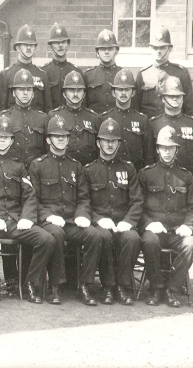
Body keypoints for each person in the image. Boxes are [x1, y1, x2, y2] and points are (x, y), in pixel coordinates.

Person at [0, 116, 55, 304]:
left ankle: (30, 283)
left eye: (7, 137)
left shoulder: (19, 166)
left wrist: (26, 217)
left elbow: (29, 195)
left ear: (12, 141)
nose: (2, 140)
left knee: (47, 239)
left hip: (15, 220)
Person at [29, 115, 103, 306]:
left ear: (69, 139)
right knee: (56, 234)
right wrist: (48, 216)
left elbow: (83, 197)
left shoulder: (76, 166)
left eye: (64, 136)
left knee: (94, 235)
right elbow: (32, 200)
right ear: (48, 139)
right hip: (48, 222)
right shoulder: (38, 165)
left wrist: (81, 215)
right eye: (56, 136)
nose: (61, 139)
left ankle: (84, 285)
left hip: (71, 220)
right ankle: (55, 286)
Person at [84, 118, 143, 306]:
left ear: (119, 143)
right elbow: (84, 202)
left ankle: (122, 285)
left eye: (113, 141)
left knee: (132, 238)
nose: (109, 144)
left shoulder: (128, 168)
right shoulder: (89, 170)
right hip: (101, 224)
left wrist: (128, 221)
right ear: (98, 142)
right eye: (105, 140)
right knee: (104, 237)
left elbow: (137, 200)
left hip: (122, 222)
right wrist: (98, 219)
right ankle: (108, 286)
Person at [138, 125, 193, 307]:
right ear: (157, 149)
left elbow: (192, 208)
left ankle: (172, 289)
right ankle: (156, 287)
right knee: (149, 241)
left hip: (177, 231)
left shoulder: (186, 177)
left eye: (171, 148)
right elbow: (138, 206)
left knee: (191, 244)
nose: (167, 152)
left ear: (177, 149)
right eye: (163, 147)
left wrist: (188, 225)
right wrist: (149, 223)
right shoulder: (146, 174)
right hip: (155, 230)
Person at [135, 27, 193, 117]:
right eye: (155, 47)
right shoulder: (143, 74)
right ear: (150, 48)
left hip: (173, 125)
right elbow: (136, 107)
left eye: (162, 47)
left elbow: (189, 108)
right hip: (148, 126)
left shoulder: (181, 73)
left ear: (169, 49)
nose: (158, 51)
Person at [102, 69, 153, 171]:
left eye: (127, 89)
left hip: (136, 174)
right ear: (113, 92)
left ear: (133, 92)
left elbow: (148, 155)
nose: (123, 93)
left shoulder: (142, 120)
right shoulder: (104, 119)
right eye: (120, 89)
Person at [48, 70, 100, 167]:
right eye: (71, 90)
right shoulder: (54, 116)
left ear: (84, 94)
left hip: (88, 169)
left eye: (79, 90)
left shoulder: (94, 118)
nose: (75, 94)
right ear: (64, 94)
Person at [0, 69, 48, 168]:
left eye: (29, 90)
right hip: (11, 170)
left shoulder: (43, 118)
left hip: (36, 170)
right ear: (13, 93)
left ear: (33, 93)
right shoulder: (4, 117)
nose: (25, 93)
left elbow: (47, 152)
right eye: (21, 89)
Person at [0, 25, 51, 113]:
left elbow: (48, 109)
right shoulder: (6, 74)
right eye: (25, 45)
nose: (29, 48)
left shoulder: (42, 75)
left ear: (35, 48)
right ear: (17, 48)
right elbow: (0, 110)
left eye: (31, 45)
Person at [149, 75, 193, 173]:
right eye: (171, 96)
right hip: (161, 178)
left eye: (178, 96)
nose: (175, 99)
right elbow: (149, 156)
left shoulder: (190, 123)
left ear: (183, 98)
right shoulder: (153, 124)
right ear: (163, 99)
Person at [42, 23, 81, 111]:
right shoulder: (43, 72)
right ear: (49, 47)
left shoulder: (77, 72)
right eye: (56, 42)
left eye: (63, 42)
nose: (60, 45)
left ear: (68, 46)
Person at [83, 30, 121, 114]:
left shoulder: (122, 74)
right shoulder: (88, 75)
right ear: (97, 53)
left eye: (110, 48)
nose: (106, 52)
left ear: (116, 51)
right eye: (103, 49)